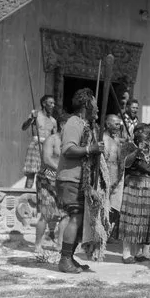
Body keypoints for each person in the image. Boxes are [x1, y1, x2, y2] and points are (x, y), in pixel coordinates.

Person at [55, 88, 104, 274]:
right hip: (70, 178)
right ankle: (64, 259)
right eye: (94, 102)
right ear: (86, 104)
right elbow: (68, 150)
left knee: (81, 218)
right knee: (75, 217)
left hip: (81, 180)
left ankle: (70, 257)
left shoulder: (87, 125)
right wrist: (91, 149)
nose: (97, 107)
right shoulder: (74, 123)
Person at [120, 127, 150, 264]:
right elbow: (126, 163)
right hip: (134, 186)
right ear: (138, 139)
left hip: (148, 187)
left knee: (143, 220)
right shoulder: (129, 147)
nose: (148, 142)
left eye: (149, 139)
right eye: (145, 139)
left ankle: (137, 252)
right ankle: (126, 253)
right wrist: (137, 150)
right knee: (132, 219)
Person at [34, 112, 70, 256]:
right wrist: (62, 170)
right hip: (46, 181)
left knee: (66, 214)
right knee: (46, 214)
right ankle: (37, 244)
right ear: (62, 125)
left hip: (63, 181)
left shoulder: (70, 142)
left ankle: (60, 244)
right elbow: (48, 160)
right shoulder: (51, 139)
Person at [21, 94, 58, 189]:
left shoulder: (53, 121)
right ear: (44, 104)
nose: (53, 105)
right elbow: (24, 127)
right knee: (31, 176)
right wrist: (31, 118)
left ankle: (43, 199)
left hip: (47, 149)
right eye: (51, 103)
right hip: (35, 146)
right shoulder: (36, 115)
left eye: (54, 103)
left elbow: (55, 138)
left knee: (48, 176)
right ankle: (26, 198)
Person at [103, 114, 125, 242]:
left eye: (119, 124)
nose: (119, 126)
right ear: (108, 124)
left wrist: (119, 176)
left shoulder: (117, 140)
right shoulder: (102, 138)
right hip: (105, 176)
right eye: (116, 124)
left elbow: (120, 159)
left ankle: (108, 231)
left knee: (114, 207)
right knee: (103, 205)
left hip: (116, 177)